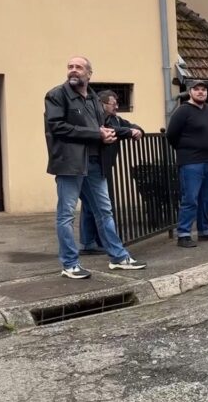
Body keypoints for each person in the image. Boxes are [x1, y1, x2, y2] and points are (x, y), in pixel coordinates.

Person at [44, 56, 146, 279]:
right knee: (66, 215)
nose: (73, 71)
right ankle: (70, 264)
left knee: (104, 211)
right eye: (70, 67)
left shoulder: (92, 99)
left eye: (78, 67)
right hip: (70, 165)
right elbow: (57, 127)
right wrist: (96, 134)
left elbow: (103, 127)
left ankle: (118, 258)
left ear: (89, 74)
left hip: (94, 163)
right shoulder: (56, 95)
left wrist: (119, 133)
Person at [78, 89, 144, 255]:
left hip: (102, 166)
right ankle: (97, 244)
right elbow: (109, 129)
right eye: (113, 104)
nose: (116, 107)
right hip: (90, 165)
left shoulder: (115, 118)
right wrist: (129, 132)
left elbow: (129, 125)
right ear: (102, 104)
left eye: (117, 104)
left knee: (92, 206)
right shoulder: (96, 116)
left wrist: (137, 130)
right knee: (98, 207)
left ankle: (91, 243)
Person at [166, 80, 208, 248]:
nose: (201, 92)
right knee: (190, 198)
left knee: (207, 198)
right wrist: (186, 149)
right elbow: (171, 135)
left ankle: (205, 230)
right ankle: (184, 234)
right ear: (190, 92)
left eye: (204, 89)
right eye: (197, 89)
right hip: (192, 162)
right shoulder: (183, 111)